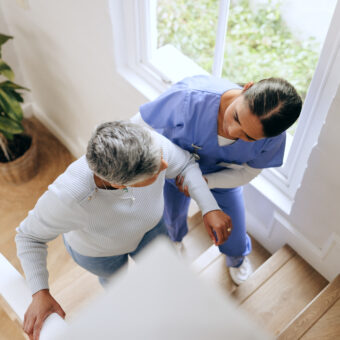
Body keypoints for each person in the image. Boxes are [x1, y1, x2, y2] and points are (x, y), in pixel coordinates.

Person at [15, 120, 232, 340]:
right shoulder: (69, 197)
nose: (165, 165)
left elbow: (184, 164)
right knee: (119, 285)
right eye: (155, 172)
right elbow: (28, 236)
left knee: (169, 272)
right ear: (121, 185)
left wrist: (209, 206)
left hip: (152, 230)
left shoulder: (148, 144)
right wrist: (39, 291)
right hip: (100, 255)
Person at [131, 75, 302, 285]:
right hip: (172, 172)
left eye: (248, 137)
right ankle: (175, 238)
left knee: (234, 229)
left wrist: (207, 182)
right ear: (247, 88)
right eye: (237, 118)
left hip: (222, 177)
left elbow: (248, 173)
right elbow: (136, 126)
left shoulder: (273, 138)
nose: (232, 131)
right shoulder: (188, 98)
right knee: (171, 215)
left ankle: (236, 257)